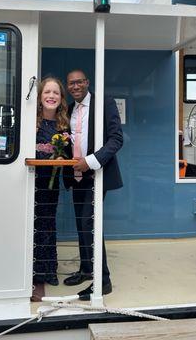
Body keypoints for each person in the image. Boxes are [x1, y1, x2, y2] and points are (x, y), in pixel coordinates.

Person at [63, 69, 123, 301]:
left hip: (97, 173)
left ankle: (103, 280)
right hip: (76, 177)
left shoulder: (104, 103)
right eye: (71, 83)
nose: (75, 86)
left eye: (79, 82)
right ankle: (87, 269)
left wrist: (90, 162)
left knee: (90, 224)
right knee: (82, 223)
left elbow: (116, 138)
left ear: (87, 83)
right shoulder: (69, 109)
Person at [32, 77, 69, 301]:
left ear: (61, 98)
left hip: (51, 185)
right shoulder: (31, 122)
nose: (51, 96)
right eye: (47, 92)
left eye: (56, 92)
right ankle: (31, 272)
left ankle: (46, 272)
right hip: (30, 182)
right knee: (31, 226)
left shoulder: (63, 126)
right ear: (40, 96)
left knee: (47, 225)